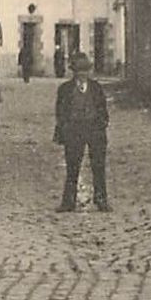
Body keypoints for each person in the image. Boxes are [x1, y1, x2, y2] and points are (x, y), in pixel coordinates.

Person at [54, 52, 110, 212]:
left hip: (94, 130)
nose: (82, 74)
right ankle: (68, 201)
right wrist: (64, 128)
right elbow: (60, 112)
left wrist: (102, 124)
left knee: (98, 167)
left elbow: (102, 109)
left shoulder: (96, 88)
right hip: (74, 131)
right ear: (74, 72)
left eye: (85, 70)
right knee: (72, 167)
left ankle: (101, 199)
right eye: (79, 71)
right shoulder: (65, 89)